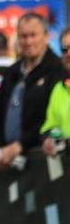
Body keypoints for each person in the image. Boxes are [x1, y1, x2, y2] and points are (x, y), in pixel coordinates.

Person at [0, 13, 66, 168]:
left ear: (46, 36)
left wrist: (22, 145)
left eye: (33, 35)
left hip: (43, 162)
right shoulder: (12, 72)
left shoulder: (57, 71)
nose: (28, 41)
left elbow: (48, 119)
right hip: (9, 162)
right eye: (23, 36)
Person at [40, 27, 70, 156]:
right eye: (64, 49)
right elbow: (49, 126)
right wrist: (48, 139)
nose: (69, 53)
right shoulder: (59, 88)